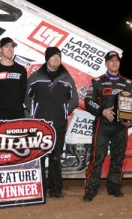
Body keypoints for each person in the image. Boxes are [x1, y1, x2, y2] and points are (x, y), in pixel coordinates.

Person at [25, 46, 78, 200]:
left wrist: (62, 112)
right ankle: (39, 190)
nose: (56, 59)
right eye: (53, 56)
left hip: (58, 126)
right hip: (39, 127)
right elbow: (27, 99)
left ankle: (56, 191)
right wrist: (35, 113)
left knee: (55, 159)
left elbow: (73, 100)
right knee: (39, 158)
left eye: (59, 56)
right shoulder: (35, 77)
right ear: (47, 58)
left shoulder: (67, 78)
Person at [83, 51, 132, 202]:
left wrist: (130, 120)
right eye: (110, 60)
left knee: (118, 159)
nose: (114, 63)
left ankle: (114, 188)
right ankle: (90, 190)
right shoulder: (97, 82)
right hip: (102, 125)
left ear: (119, 63)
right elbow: (88, 101)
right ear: (105, 63)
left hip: (121, 127)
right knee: (97, 158)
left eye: (116, 60)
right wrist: (102, 111)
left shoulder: (127, 83)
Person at [0, 37, 27, 120]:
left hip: (17, 115)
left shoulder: (21, 70)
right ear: (0, 50)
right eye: (6, 46)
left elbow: (23, 92)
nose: (10, 49)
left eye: (12, 46)